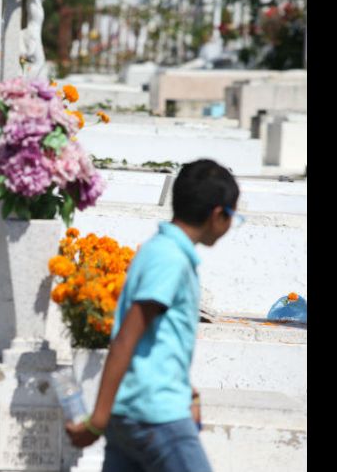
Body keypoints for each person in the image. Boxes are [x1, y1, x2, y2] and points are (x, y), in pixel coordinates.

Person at [65, 159, 242, 472]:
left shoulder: (160, 249)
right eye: (233, 216)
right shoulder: (170, 259)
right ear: (218, 215)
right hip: (156, 416)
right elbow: (127, 338)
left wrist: (187, 392)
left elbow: (159, 341)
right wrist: (98, 420)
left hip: (133, 413)